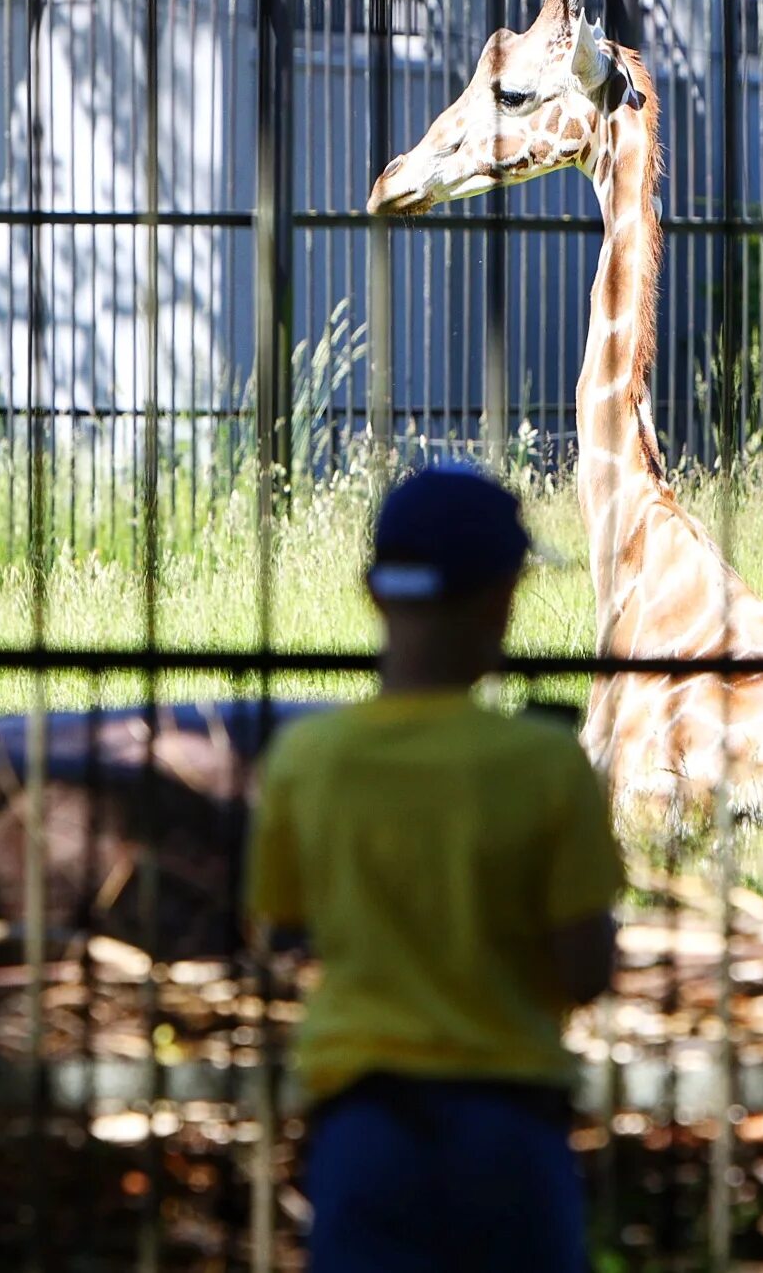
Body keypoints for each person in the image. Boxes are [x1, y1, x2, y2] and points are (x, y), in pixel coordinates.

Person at [246, 464, 623, 1273]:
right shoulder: (547, 765)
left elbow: (279, 924)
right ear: (502, 597)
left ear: (373, 593)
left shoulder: (307, 760)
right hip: (509, 1124)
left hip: (363, 1125)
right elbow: (585, 969)